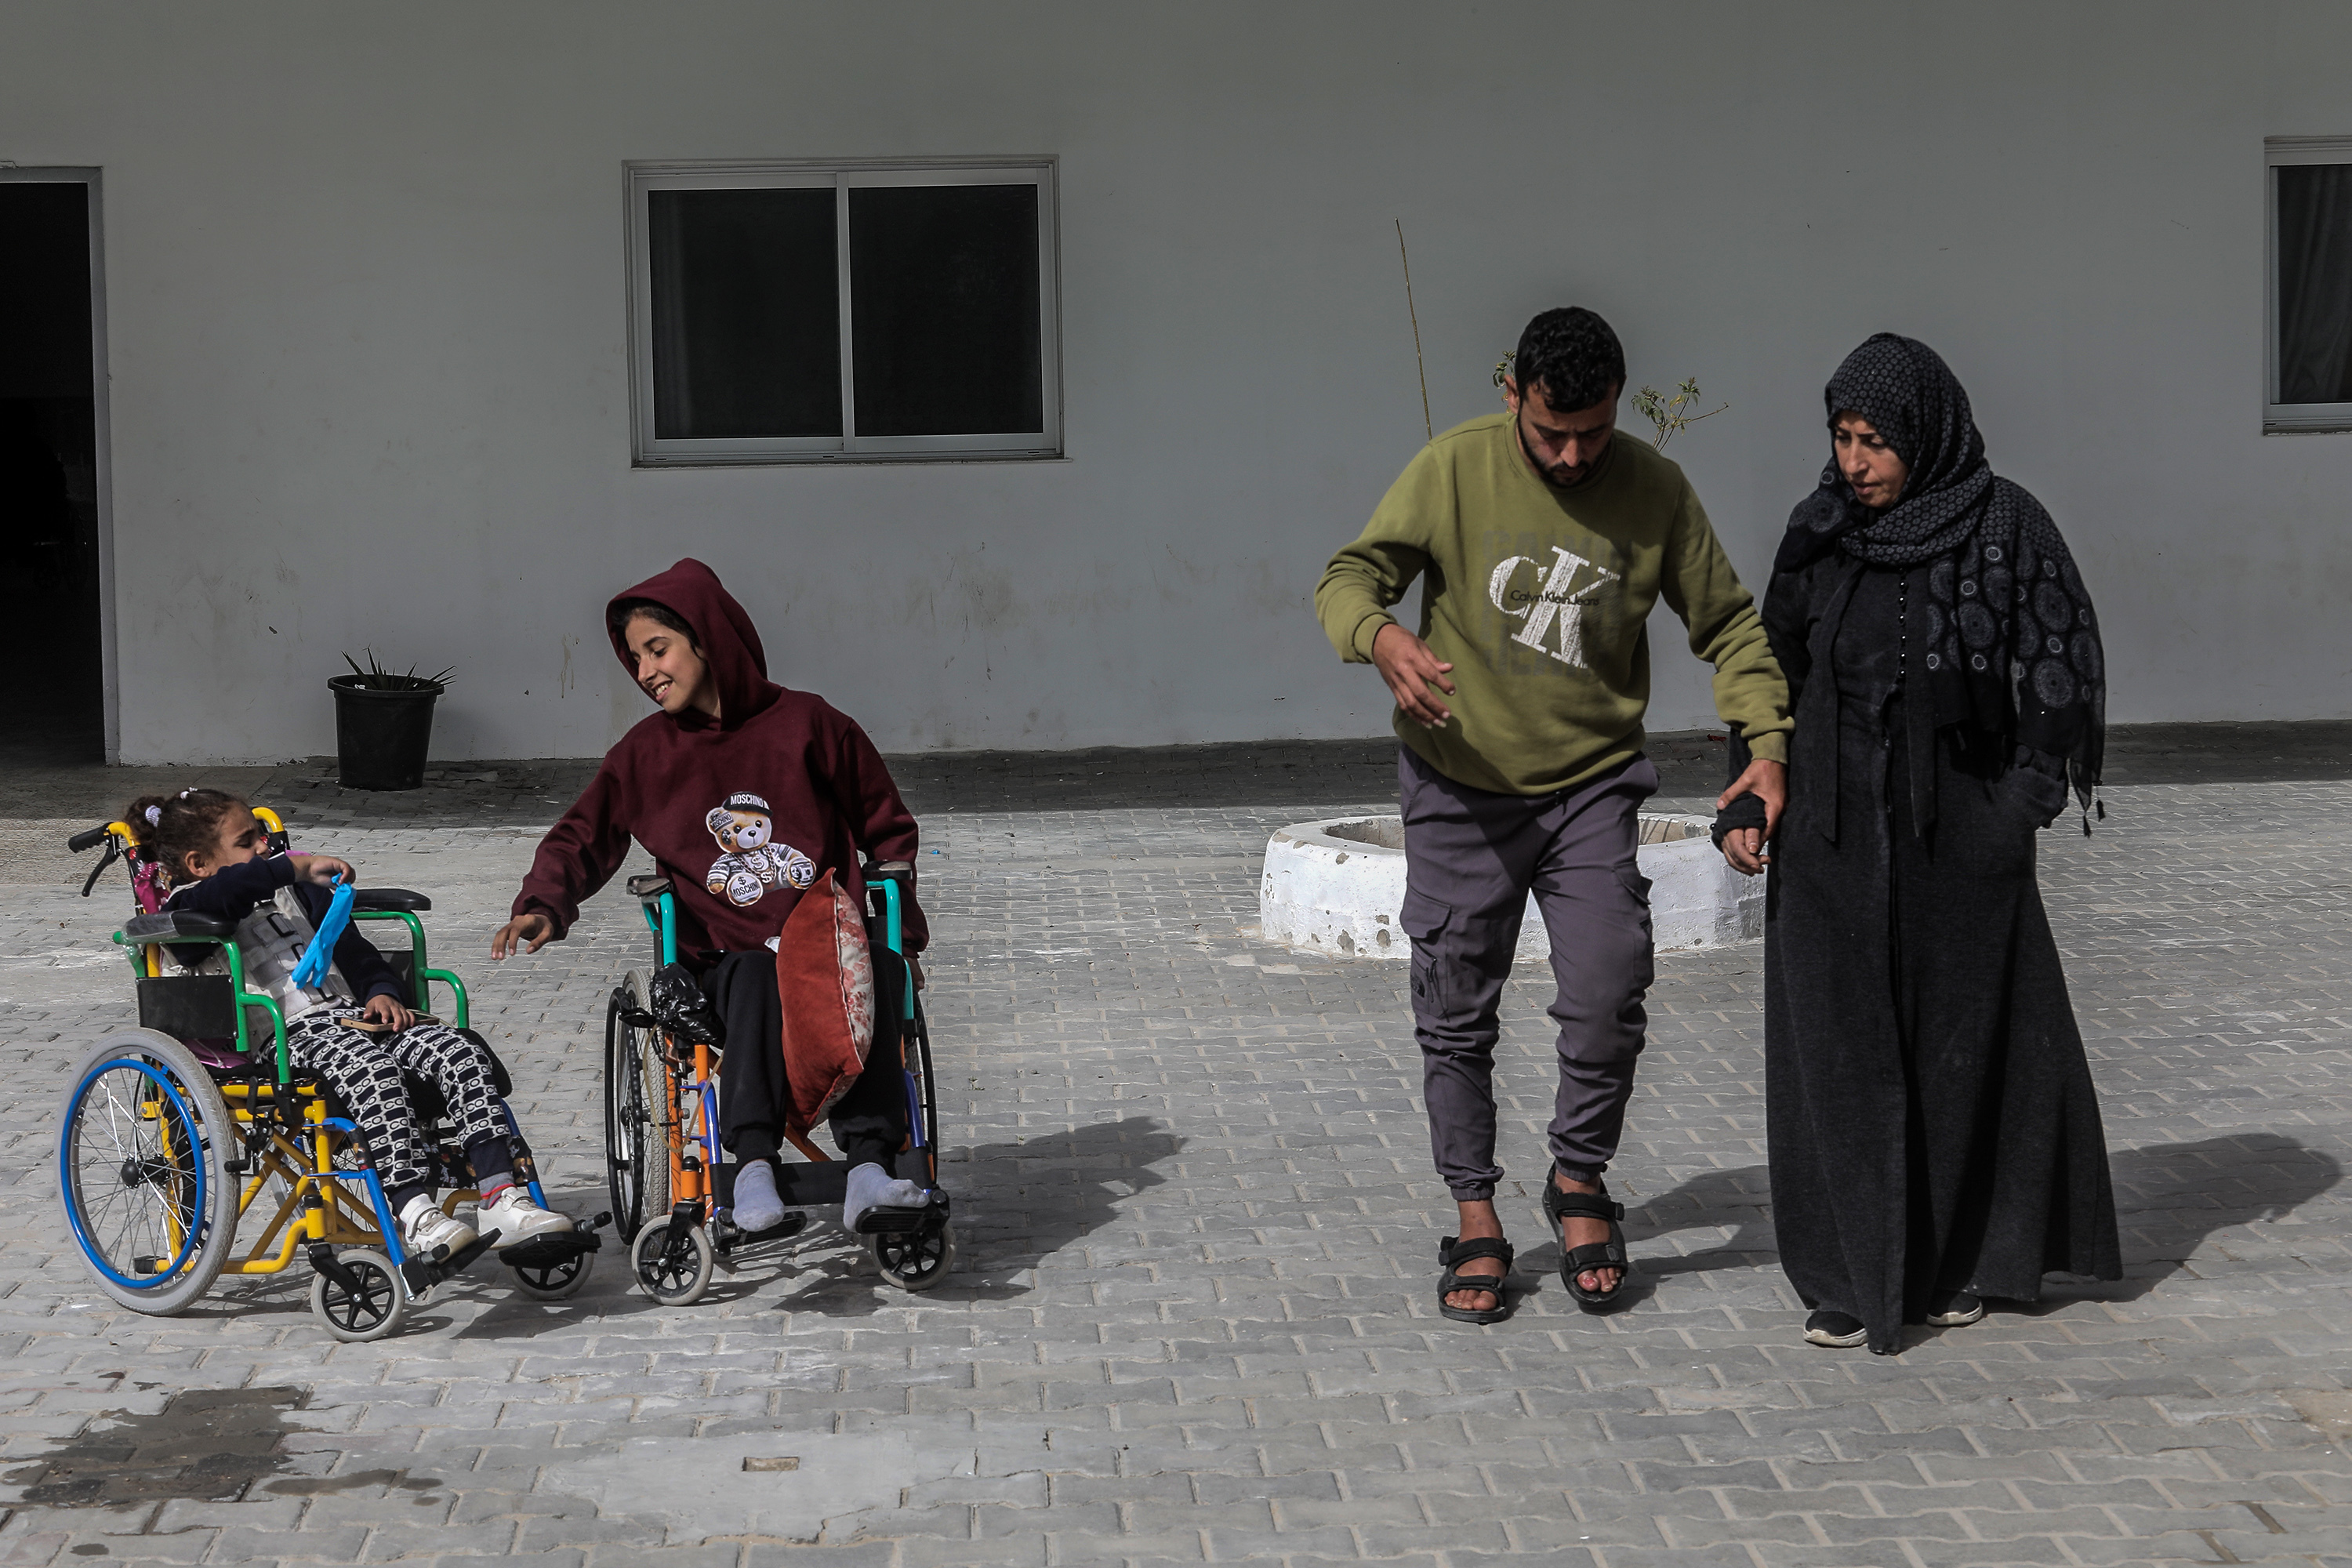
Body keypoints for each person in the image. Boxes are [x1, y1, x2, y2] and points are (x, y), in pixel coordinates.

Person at [1314, 307, 1794, 1323]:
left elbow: (1730, 627)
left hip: (1590, 788)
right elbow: (1349, 577)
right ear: (1512, 399)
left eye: (1593, 433)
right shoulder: (1453, 469)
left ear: (1617, 406)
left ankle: (1579, 1181)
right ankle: (1476, 1211)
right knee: (1453, 1009)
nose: (1572, 456)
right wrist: (1382, 639)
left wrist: (1765, 746)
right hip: (1457, 791)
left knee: (1611, 989)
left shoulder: (1655, 490)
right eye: (1549, 434)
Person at [1745, 333, 2121, 1356]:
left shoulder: (2006, 525)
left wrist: (2017, 811)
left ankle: (1950, 1263)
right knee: (1834, 1048)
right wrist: (1756, 783)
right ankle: (1839, 1273)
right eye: (1843, 437)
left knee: (1953, 1055)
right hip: (1826, 830)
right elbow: (1768, 666)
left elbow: (2060, 664)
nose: (1857, 461)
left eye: (1877, 442)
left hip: (1956, 831)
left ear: (1928, 436)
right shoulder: (1820, 530)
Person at [491, 558, 931, 1236]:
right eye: (634, 659)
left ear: (707, 639)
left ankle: (870, 1168)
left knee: (874, 965)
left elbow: (887, 828)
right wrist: (544, 902)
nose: (645, 672)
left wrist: (899, 931)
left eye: (657, 649)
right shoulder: (645, 755)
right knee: (755, 971)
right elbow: (585, 834)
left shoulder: (811, 726)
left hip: (824, 944)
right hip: (728, 961)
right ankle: (752, 1169)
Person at [135, 788, 575, 1260]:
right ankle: (415, 1211)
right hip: (287, 1038)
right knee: (373, 1072)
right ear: (199, 863)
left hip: (354, 1017)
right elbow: (230, 892)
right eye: (248, 841)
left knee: (458, 1050)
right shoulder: (188, 910)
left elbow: (355, 953)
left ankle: (501, 1196)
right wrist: (291, 866)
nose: (264, 846)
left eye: (263, 836)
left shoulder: (297, 893)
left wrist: (382, 991)